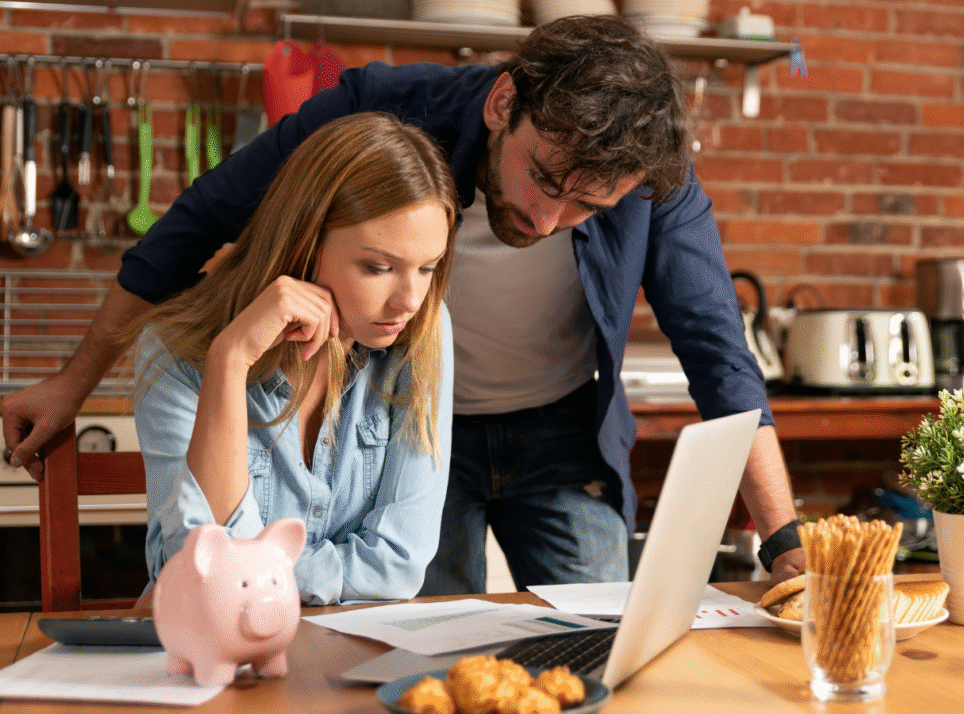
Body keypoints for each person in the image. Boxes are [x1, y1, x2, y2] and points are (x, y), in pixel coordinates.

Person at [1, 16, 805, 590]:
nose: (551, 220)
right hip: (413, 425)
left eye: (589, 208)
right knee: (418, 647)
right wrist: (73, 384)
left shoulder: (648, 175)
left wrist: (784, 542)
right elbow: (198, 223)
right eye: (547, 180)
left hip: (562, 429)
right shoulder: (378, 115)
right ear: (503, 105)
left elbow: (716, 350)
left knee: (593, 640)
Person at [131, 112, 458, 604]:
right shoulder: (176, 352)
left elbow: (398, 566)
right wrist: (230, 358)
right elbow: (211, 580)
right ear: (304, 241)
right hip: (218, 659)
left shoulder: (424, 332)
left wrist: (254, 573)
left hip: (348, 655)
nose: (409, 300)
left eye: (428, 267)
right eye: (378, 267)